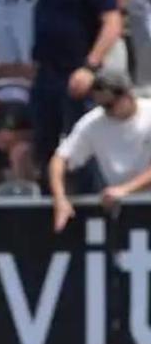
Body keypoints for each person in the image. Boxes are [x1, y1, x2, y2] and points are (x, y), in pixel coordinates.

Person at [30, 0, 122, 172]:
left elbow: (112, 24)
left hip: (78, 74)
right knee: (44, 145)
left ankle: (87, 201)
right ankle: (49, 198)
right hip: (46, 73)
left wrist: (89, 67)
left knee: (83, 146)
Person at [49, 69, 151, 231]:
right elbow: (60, 159)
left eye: (110, 105)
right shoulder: (93, 123)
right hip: (123, 208)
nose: (106, 111)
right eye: (102, 105)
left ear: (128, 95)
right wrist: (60, 199)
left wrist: (126, 189)